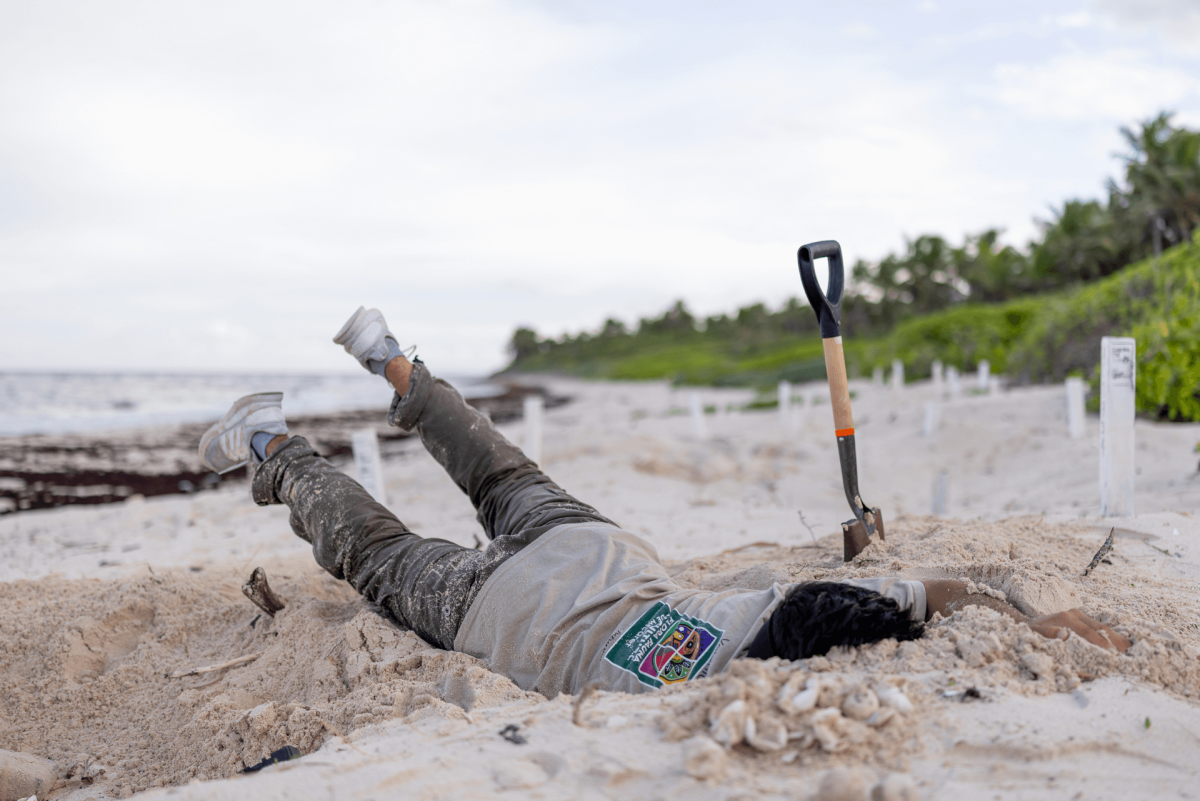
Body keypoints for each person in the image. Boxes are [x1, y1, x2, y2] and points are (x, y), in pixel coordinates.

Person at [198, 308, 1131, 698]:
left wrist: (1001, 608)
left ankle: (389, 354)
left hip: (596, 550)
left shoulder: (746, 619)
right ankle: (269, 442)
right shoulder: (715, 665)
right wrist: (1019, 618)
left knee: (500, 472)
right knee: (380, 554)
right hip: (511, 620)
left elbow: (852, 600)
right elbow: (827, 611)